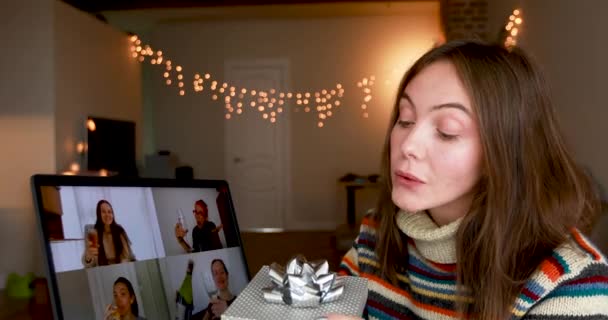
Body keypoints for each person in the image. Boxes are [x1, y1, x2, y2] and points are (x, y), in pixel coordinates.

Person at [331, 40, 608, 319]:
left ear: (504, 152)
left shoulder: (570, 284)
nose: (408, 145)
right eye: (405, 120)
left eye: (447, 131)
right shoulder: (375, 235)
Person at [83, 200, 136, 267]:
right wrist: (88, 256)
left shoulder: (119, 230)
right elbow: (89, 264)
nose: (107, 215)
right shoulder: (93, 233)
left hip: (121, 267)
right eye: (103, 212)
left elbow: (128, 256)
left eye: (109, 212)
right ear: (99, 215)